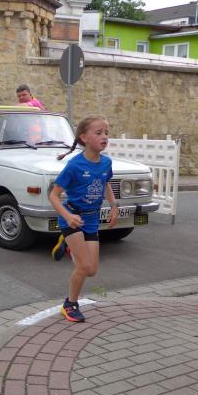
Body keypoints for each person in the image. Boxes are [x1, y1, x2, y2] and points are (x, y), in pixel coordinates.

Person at [48, 116, 118, 322]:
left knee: (92, 271)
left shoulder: (106, 162)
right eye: (99, 133)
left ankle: (68, 245)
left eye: (106, 133)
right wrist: (68, 216)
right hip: (73, 219)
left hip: (91, 220)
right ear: (84, 138)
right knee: (84, 266)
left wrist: (114, 206)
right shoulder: (74, 165)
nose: (104, 137)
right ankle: (70, 304)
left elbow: (106, 184)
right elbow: (53, 195)